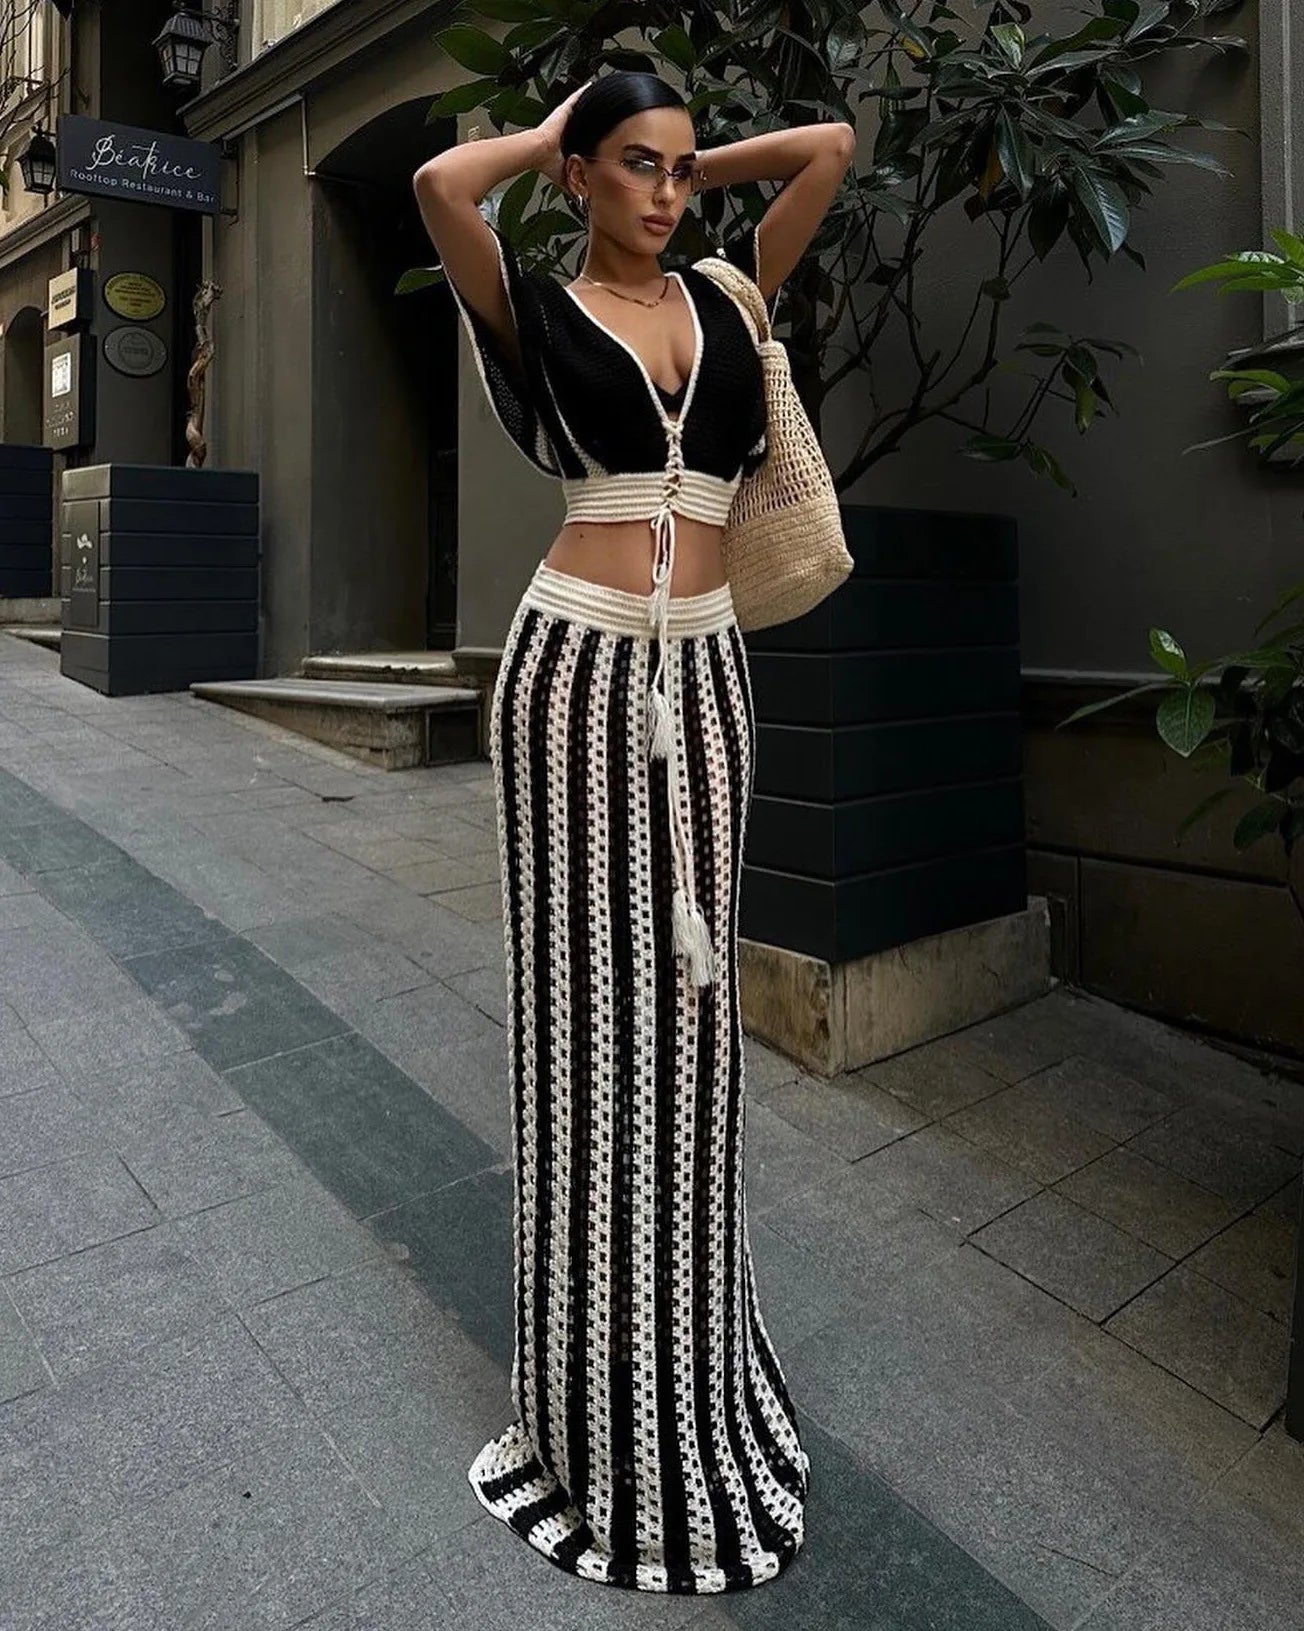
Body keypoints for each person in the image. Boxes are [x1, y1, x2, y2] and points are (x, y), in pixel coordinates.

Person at [412, 70, 854, 1594]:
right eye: (637, 169)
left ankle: (689, 1377)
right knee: (585, 1034)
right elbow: (437, 192)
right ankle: (588, 1418)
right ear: (588, 176)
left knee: (693, 1018)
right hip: (574, 674)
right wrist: (554, 137)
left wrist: (694, 152)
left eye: (679, 172)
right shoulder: (532, 303)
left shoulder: (732, 293)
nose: (667, 196)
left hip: (709, 673)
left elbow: (832, 149)